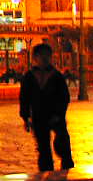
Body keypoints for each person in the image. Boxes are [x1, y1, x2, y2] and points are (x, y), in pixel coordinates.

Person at [18, 42, 73, 172]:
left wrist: (59, 114)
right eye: (41, 56)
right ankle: (46, 172)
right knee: (43, 148)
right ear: (35, 58)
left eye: (47, 56)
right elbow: (24, 98)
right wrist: (25, 117)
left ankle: (67, 168)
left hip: (56, 116)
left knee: (63, 143)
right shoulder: (29, 77)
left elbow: (64, 97)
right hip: (38, 116)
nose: (45, 59)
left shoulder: (57, 76)